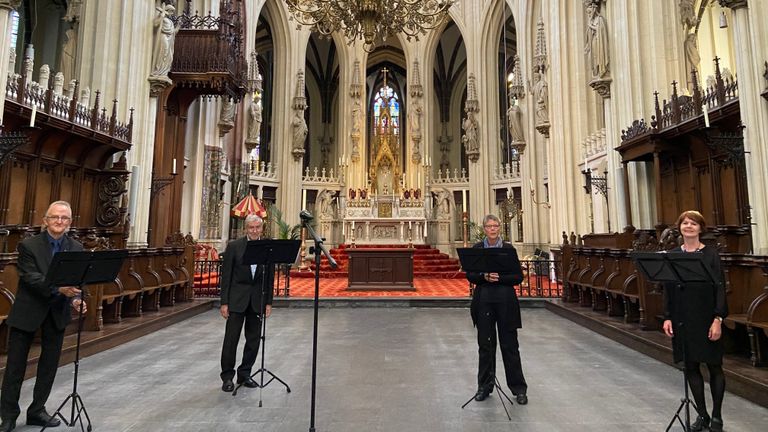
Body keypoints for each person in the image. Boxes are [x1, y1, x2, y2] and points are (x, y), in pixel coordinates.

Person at [1, 201, 87, 431]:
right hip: (28, 310)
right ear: (45, 220)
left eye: (65, 218)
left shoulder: (76, 248)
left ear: (70, 222)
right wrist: (59, 289)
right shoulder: (28, 245)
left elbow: (77, 281)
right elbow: (31, 277)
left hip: (57, 312)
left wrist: (78, 300)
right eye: (55, 217)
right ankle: (8, 415)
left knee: (49, 365)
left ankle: (37, 410)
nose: (59, 222)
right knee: (15, 367)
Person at [662, 210, 727, 432]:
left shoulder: (710, 255)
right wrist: (668, 317)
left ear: (700, 228)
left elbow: (720, 287)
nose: (689, 226)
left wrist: (718, 318)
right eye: (685, 223)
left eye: (693, 223)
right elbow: (668, 290)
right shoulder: (672, 254)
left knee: (714, 366)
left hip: (706, 316)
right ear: (679, 227)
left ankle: (717, 416)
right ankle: (703, 415)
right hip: (683, 318)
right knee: (690, 365)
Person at [465, 214, 528, 405]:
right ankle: (484, 386)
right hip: (484, 300)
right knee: (485, 345)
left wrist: (500, 278)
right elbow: (471, 275)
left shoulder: (508, 249)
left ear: (499, 228)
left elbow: (518, 277)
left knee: (510, 345)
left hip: (505, 300)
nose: (492, 229)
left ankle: (519, 389)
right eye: (489, 226)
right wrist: (484, 277)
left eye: (495, 226)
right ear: (484, 229)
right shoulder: (478, 249)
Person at [219, 214, 275, 392]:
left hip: (257, 300)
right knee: (231, 340)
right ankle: (227, 376)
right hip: (236, 299)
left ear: (262, 228)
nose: (254, 230)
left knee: (253, 340)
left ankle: (245, 373)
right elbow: (226, 277)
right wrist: (224, 302)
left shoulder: (267, 248)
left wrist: (268, 302)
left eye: (257, 227)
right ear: (246, 229)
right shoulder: (234, 247)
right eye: (251, 227)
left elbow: (270, 278)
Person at [150, 4, 180, 77]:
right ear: (167, 10)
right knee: (163, 51)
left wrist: (178, 26)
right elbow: (155, 24)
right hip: (163, 37)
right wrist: (162, 16)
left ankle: (163, 71)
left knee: (168, 55)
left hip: (170, 39)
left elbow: (173, 32)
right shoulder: (162, 17)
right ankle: (158, 70)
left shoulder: (170, 21)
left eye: (173, 12)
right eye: (171, 11)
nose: (172, 13)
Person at [584, 2, 610, 79]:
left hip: (599, 43)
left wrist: (591, 26)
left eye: (589, 12)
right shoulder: (592, 21)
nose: (589, 15)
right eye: (588, 13)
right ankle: (597, 72)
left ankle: (603, 70)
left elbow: (600, 30)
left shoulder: (600, 19)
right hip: (594, 43)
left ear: (594, 10)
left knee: (599, 56)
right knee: (594, 58)